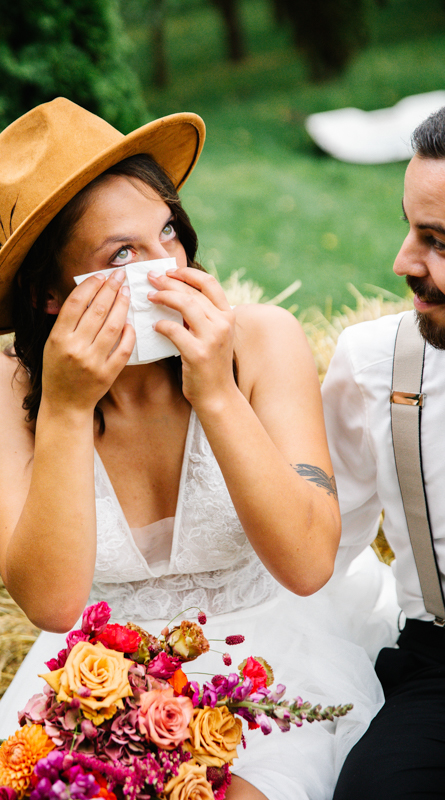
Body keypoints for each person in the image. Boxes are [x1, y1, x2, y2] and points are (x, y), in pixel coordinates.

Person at [0, 97, 389, 800]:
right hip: (102, 677)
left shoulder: (258, 341)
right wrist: (65, 409)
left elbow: (307, 564)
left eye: (168, 234)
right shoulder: (3, 393)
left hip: (274, 661)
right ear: (51, 296)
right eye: (123, 254)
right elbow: (54, 605)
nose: (169, 270)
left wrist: (215, 393)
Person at [323, 105, 445, 800]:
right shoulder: (375, 367)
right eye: (408, 227)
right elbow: (314, 551)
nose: (403, 262)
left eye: (437, 241)